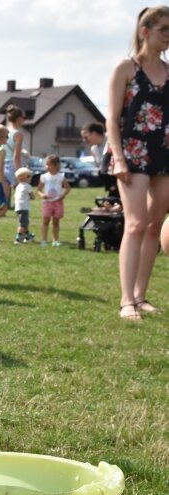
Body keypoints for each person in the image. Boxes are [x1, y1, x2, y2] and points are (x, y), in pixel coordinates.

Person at [106, 6, 169, 320]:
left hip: (165, 154)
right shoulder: (126, 68)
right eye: (164, 29)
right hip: (132, 153)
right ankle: (126, 300)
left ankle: (142, 296)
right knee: (136, 224)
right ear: (146, 31)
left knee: (154, 226)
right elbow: (112, 119)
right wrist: (118, 158)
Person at [37, 154, 71, 247]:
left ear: (56, 165)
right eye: (46, 164)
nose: (48, 167)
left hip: (57, 202)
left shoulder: (61, 176)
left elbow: (68, 188)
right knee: (45, 221)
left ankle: (55, 240)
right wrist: (42, 195)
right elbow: (39, 189)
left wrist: (62, 196)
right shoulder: (44, 177)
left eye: (50, 164)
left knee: (56, 222)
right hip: (47, 202)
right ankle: (44, 240)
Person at [3, 104, 26, 199]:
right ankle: (21, 211)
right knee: (20, 193)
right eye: (23, 117)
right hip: (13, 165)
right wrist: (19, 172)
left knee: (4, 193)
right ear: (18, 118)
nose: (24, 120)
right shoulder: (18, 134)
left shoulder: (4, 131)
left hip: (2, 163)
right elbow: (16, 156)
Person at [13, 167, 35, 244]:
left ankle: (28, 236)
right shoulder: (27, 186)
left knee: (24, 222)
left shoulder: (18, 186)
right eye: (29, 176)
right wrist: (31, 197)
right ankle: (18, 238)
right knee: (23, 224)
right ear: (25, 178)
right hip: (24, 207)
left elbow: (14, 196)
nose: (30, 178)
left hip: (18, 207)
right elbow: (32, 196)